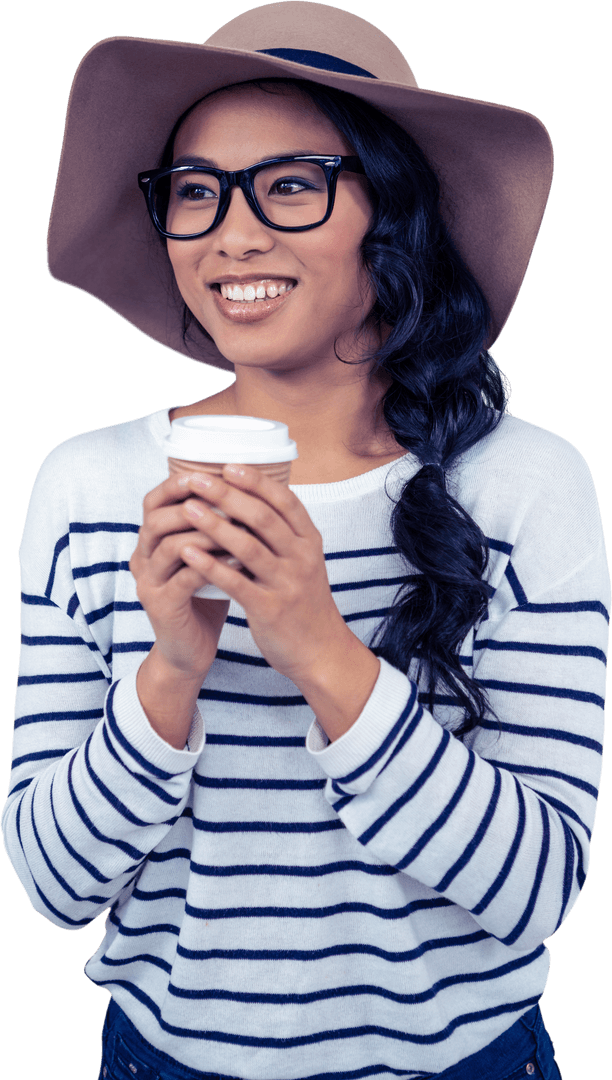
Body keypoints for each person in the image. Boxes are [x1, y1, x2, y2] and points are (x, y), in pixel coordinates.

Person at [2, 3, 609, 1079]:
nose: (231, 234)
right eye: (196, 191)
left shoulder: (525, 484)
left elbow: (535, 892)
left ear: (396, 215)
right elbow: (54, 890)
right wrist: (170, 671)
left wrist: (322, 649)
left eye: (290, 184)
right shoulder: (87, 486)